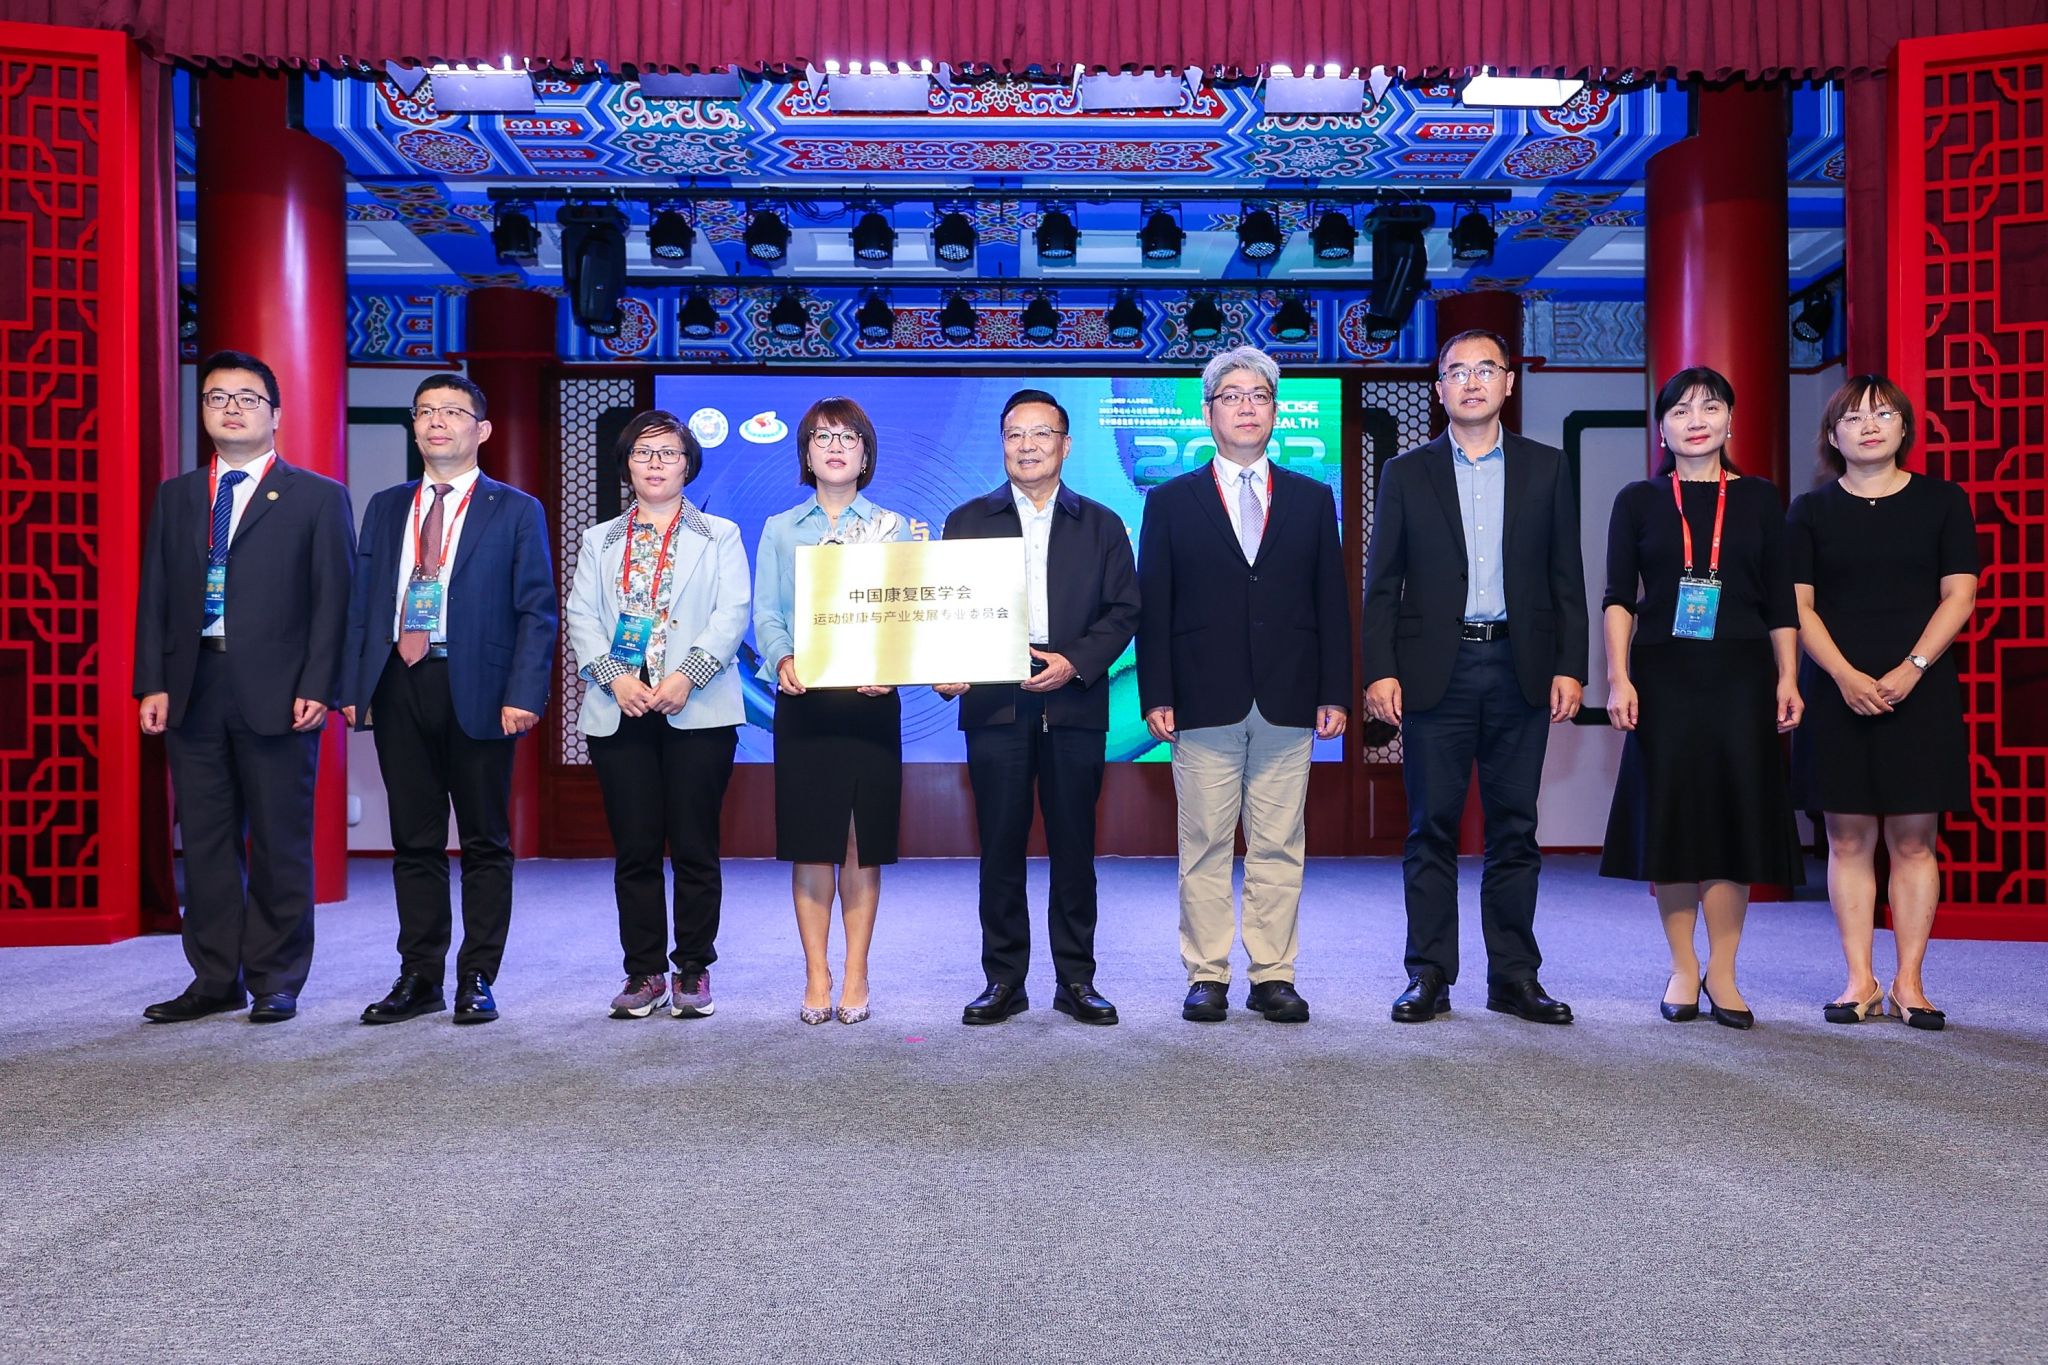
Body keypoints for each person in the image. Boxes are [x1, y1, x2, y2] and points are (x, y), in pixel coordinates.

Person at [1362, 328, 1588, 1026]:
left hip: (1522, 665)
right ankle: (1428, 973)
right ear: (1439, 389)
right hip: (1437, 670)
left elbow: (1566, 576)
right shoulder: (1406, 472)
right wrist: (1380, 670)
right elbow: (1382, 582)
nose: (1471, 381)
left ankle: (1515, 976)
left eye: (1485, 369)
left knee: (1515, 829)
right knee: (1430, 827)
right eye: (1456, 371)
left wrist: (1571, 665)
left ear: (1508, 382)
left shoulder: (1547, 468)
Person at [134, 350, 355, 1024]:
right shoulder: (176, 496)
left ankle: (275, 978)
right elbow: (154, 596)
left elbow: (335, 601)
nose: (231, 409)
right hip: (193, 684)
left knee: (281, 843)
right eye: (216, 397)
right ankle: (213, 978)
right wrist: (151, 682)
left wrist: (319, 683)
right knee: (204, 843)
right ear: (202, 410)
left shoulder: (317, 496)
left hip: (281, 692)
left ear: (275, 415)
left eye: (246, 398)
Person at [1137, 346, 1350, 1024]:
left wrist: (1334, 690)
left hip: (1290, 695)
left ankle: (1273, 974)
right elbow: (1155, 605)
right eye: (1232, 396)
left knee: (1280, 843)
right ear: (1209, 412)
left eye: (1259, 395)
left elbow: (1331, 601)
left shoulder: (1313, 498)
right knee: (1202, 843)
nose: (1247, 407)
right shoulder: (1170, 500)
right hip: (1202, 697)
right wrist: (1157, 693)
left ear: (1276, 411)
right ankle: (1207, 974)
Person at [341, 374, 557, 1027]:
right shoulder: (385, 505)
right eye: (426, 411)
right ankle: (419, 976)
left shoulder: (515, 508)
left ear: (481, 430)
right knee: (415, 840)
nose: (437, 421)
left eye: (453, 412)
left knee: (486, 840)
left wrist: (524, 691)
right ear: (414, 427)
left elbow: (536, 610)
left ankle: (477, 975)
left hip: (482, 690)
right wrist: (354, 685)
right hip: (397, 682)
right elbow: (363, 601)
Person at [1599, 366, 1805, 1030]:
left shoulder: (1761, 498)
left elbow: (1780, 601)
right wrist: (1618, 677)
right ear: (1661, 427)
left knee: (1733, 819)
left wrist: (1788, 676)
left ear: (1730, 421)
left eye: (1710, 407)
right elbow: (1618, 598)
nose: (1696, 420)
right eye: (1681, 409)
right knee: (1674, 820)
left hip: (1742, 675)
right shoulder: (1638, 500)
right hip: (1663, 676)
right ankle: (1684, 965)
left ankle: (1725, 970)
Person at [935, 390, 1141, 1026]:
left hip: (1074, 701)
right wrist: (943, 663)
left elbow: (1124, 610)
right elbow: (943, 610)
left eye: (1041, 433)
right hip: (994, 703)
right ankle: (1004, 980)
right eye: (1014, 435)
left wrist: (1073, 661)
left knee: (1075, 846)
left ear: (1065, 444)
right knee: (999, 845)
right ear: (1002, 444)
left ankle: (1076, 980)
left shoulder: (1102, 524)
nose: (1027, 446)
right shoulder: (967, 520)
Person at [1790, 375, 1978, 1030]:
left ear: (1904, 427)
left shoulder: (1943, 501)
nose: (1869, 426)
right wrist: (1844, 675)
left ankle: (1910, 982)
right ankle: (1859, 980)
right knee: (1846, 837)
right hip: (1836, 686)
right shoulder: (1809, 511)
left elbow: (1959, 595)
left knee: (1914, 839)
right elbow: (1799, 606)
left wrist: (1912, 668)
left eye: (1883, 414)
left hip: (1920, 688)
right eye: (1853, 417)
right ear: (1832, 435)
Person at [567, 411, 750, 1021]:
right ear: (626, 464)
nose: (655, 463)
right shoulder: (600, 540)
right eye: (643, 452)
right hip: (620, 706)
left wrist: (686, 676)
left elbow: (732, 613)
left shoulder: (719, 534)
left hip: (697, 705)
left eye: (669, 452)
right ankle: (643, 971)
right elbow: (582, 616)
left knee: (696, 845)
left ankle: (693, 968)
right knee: (636, 848)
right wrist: (615, 678)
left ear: (688, 464)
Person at [755, 398, 909, 1025]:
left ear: (866, 454)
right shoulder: (780, 528)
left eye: (848, 437)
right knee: (812, 841)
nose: (836, 447)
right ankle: (816, 973)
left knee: (859, 843)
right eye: (822, 437)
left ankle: (856, 972)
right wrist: (782, 658)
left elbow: (906, 615)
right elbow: (766, 612)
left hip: (872, 703)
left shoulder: (895, 528)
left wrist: (892, 664)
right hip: (806, 701)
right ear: (807, 454)